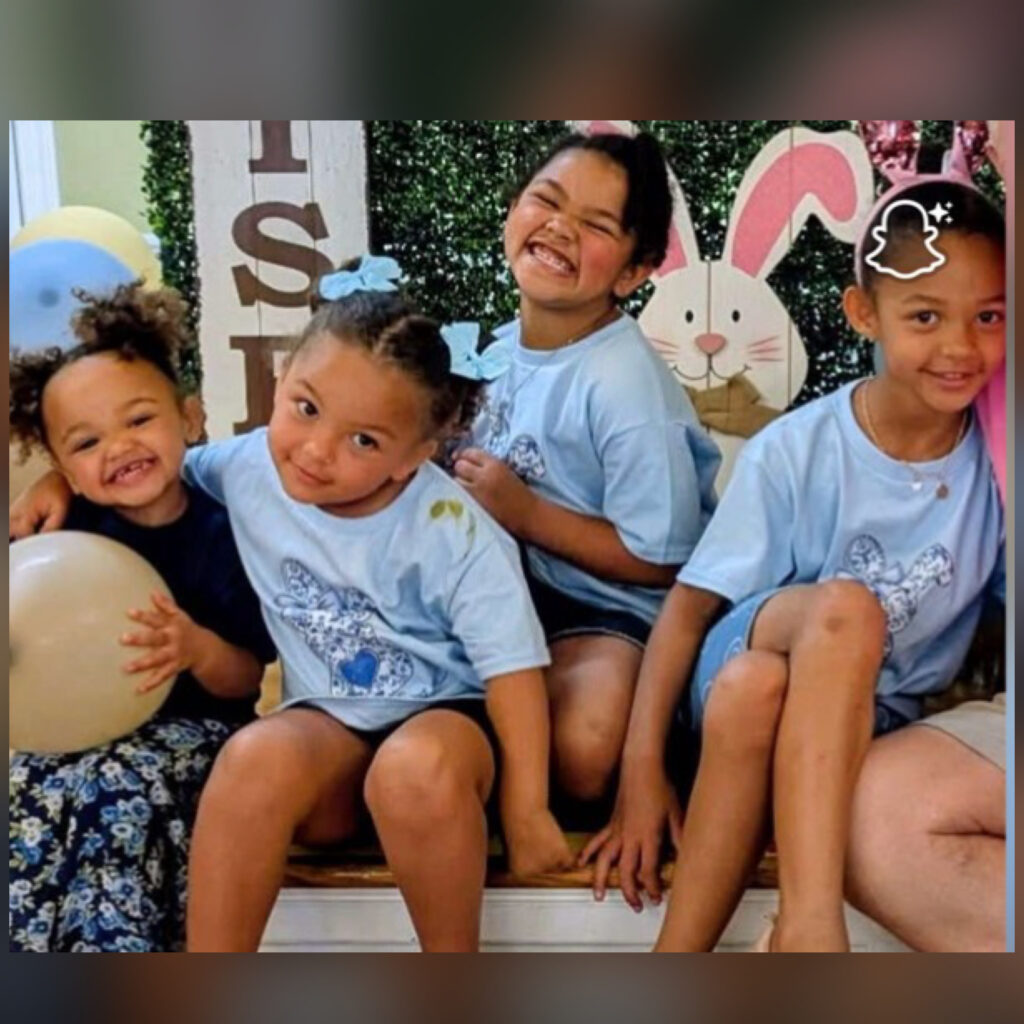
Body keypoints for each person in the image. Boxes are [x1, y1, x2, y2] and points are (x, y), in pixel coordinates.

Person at [10, 256, 573, 952]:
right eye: (305, 409)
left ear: (414, 456)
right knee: (250, 758)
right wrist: (56, 485)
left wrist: (527, 808)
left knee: (410, 771)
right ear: (281, 379)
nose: (315, 451)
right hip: (327, 730)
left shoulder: (453, 529)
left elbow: (514, 671)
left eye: (363, 440)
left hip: (446, 727)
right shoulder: (245, 466)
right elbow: (140, 467)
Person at [582, 156, 1006, 951]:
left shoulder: (994, 458)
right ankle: (811, 931)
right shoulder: (801, 450)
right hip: (751, 647)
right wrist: (642, 771)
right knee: (841, 612)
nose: (960, 346)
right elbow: (687, 610)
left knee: (757, 688)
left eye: (988, 316)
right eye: (924, 317)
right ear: (863, 314)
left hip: (850, 716)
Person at [454, 131, 720, 809]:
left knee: (580, 746)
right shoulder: (499, 349)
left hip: (616, 615)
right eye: (546, 200)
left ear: (634, 272)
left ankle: (668, 747)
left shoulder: (624, 385)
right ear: (513, 209)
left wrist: (528, 515)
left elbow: (665, 560)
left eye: (596, 224)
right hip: (509, 601)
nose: (559, 228)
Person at [8, 284, 276, 952]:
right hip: (79, 738)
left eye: (138, 420)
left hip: (195, 736)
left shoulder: (225, 533)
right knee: (26, 779)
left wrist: (195, 648)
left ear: (190, 418)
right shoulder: (65, 537)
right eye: (88, 441)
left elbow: (246, 680)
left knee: (117, 782)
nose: (119, 447)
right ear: (63, 466)